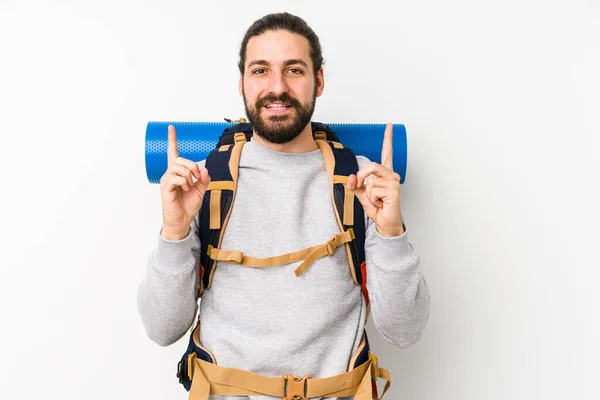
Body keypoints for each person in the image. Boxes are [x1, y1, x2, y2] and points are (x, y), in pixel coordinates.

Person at [138, 12, 430, 400]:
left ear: (319, 81)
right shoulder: (203, 181)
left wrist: (392, 234)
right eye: (261, 71)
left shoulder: (364, 184)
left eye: (294, 69)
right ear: (241, 83)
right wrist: (174, 233)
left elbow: (405, 331)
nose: (278, 87)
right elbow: (162, 329)